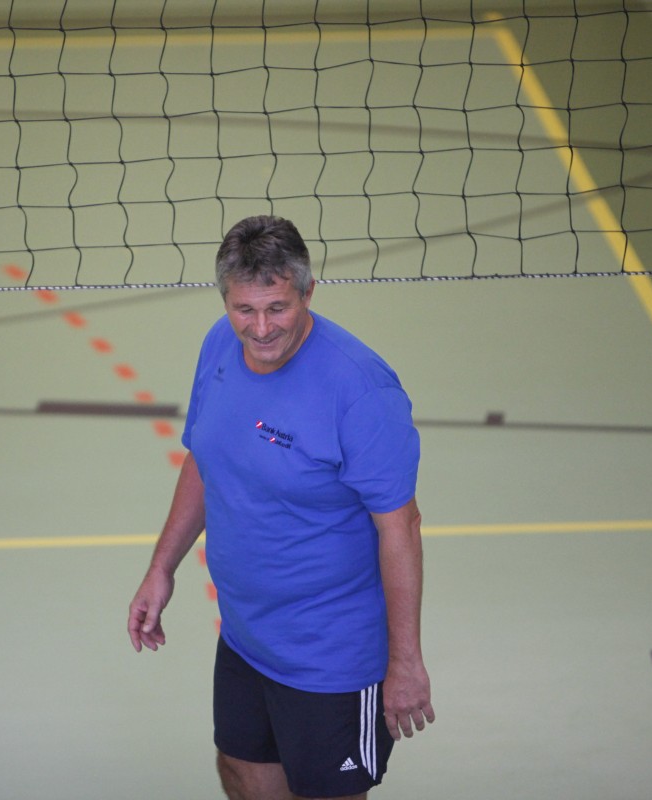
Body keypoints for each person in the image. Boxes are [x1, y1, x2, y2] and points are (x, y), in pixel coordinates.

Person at [127, 215, 434, 800]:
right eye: (244, 309)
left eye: (277, 308)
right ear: (225, 300)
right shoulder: (220, 345)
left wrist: (406, 663)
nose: (261, 328)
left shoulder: (361, 391)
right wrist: (161, 567)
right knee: (242, 775)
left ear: (308, 292)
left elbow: (402, 529)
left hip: (332, 655)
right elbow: (204, 458)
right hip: (246, 636)